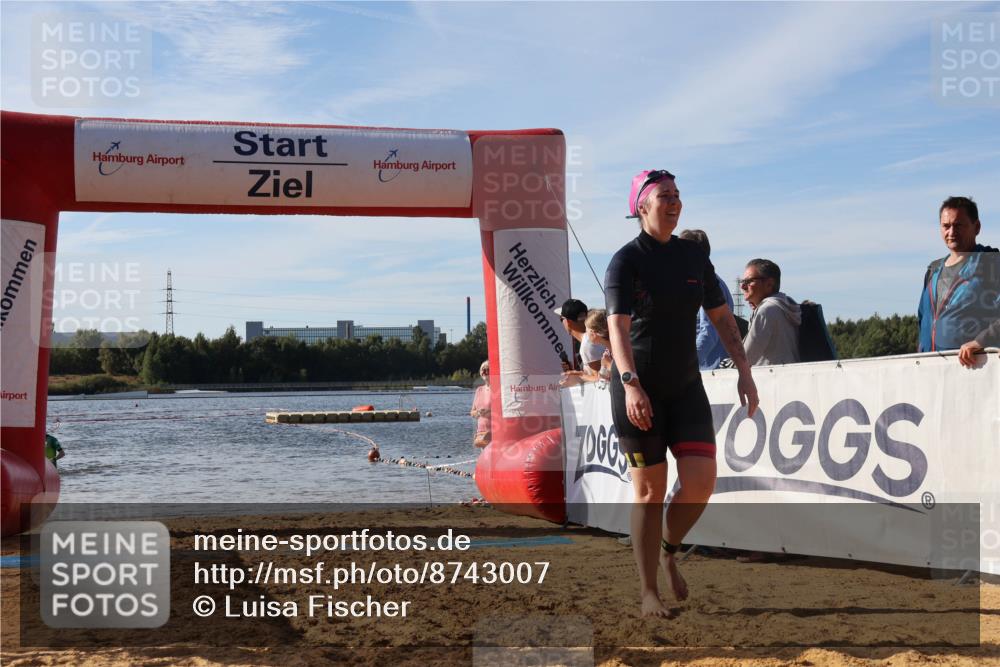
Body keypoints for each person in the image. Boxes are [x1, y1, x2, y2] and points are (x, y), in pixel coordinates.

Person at [605, 169, 758, 618]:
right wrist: (631, 383)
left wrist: (745, 371)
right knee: (650, 493)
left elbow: (723, 316)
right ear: (641, 207)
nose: (673, 202)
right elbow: (617, 327)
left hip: (685, 386)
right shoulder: (625, 260)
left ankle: (670, 550)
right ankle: (648, 591)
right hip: (639, 388)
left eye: (677, 195)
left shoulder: (693, 256)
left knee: (700, 483)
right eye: (663, 196)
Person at [918, 196, 999, 368]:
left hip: (977, 373)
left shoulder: (992, 264)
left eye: (958, 225)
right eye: (946, 226)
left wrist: (981, 341)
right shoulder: (933, 271)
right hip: (931, 373)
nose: (951, 232)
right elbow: (923, 321)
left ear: (976, 227)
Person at [678, 229, 736, 370]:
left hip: (710, 373)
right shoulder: (701, 284)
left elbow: (709, 332)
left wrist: (685, 366)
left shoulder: (709, 287)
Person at [741, 259, 802, 366]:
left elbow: (744, 358)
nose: (743, 286)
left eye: (749, 281)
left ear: (769, 284)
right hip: (788, 376)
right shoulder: (785, 305)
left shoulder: (767, 310)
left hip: (769, 379)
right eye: (742, 282)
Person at [561, 309, 613, 387]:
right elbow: (600, 378)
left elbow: (607, 381)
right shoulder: (608, 352)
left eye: (586, 329)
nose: (585, 333)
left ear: (593, 333)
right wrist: (580, 375)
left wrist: (610, 366)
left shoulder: (611, 354)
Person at [556, 298, 605, 371]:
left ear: (568, 322)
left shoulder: (588, 345)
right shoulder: (593, 338)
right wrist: (573, 372)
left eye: (561, 319)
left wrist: (577, 376)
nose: (562, 322)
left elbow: (602, 380)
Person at [470, 360, 492, 448]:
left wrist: (489, 412)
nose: (484, 372)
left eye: (487, 369)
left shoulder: (499, 389)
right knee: (485, 460)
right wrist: (478, 413)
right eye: (482, 370)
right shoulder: (479, 390)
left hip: (496, 433)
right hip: (482, 434)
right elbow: (472, 412)